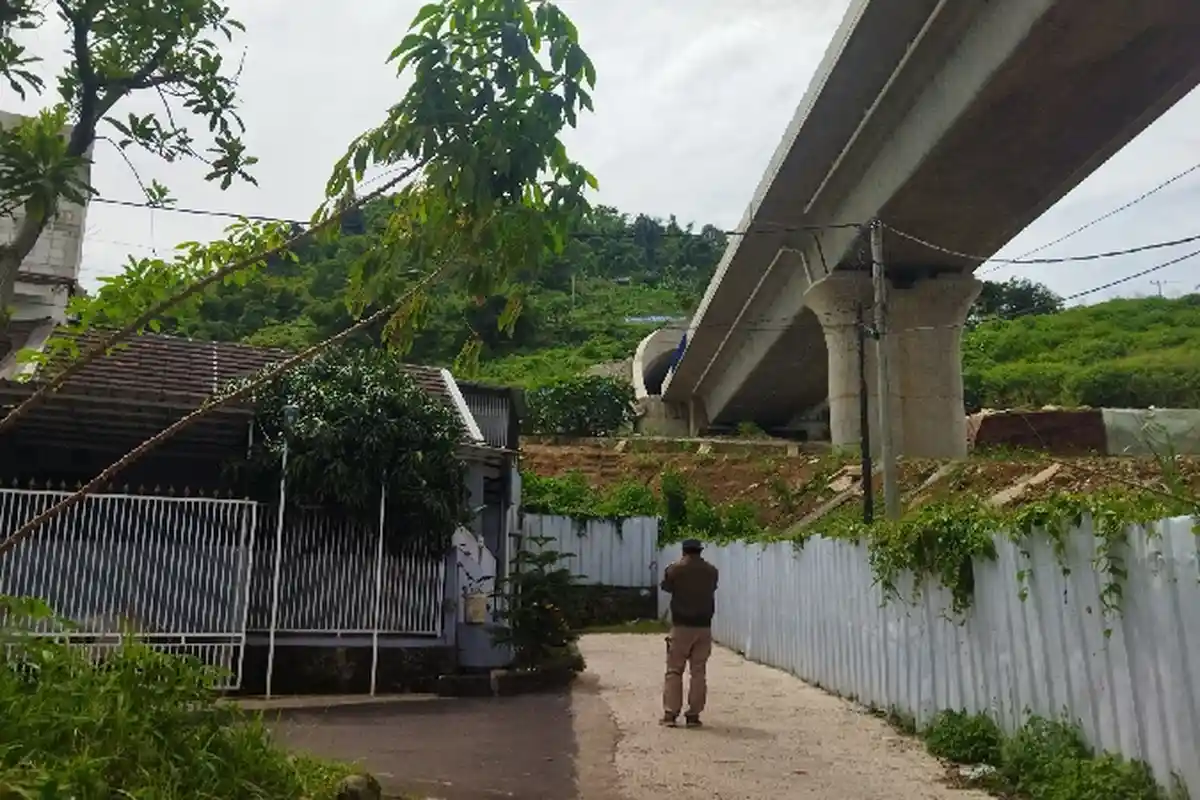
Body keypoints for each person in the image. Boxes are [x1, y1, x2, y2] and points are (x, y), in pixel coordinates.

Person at [659, 538, 718, 727]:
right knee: (698, 672)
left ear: (684, 551)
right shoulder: (711, 571)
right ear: (700, 551)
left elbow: (666, 586)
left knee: (674, 671)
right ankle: (693, 715)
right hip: (704, 626)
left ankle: (670, 713)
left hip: (681, 625)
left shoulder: (675, 569)